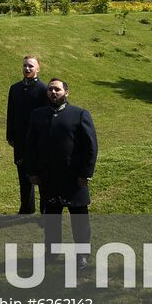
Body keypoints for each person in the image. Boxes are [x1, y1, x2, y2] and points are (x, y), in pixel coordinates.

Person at [26, 78, 98, 268]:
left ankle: (82, 255)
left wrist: (86, 173)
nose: (53, 92)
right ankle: (52, 252)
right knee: (51, 220)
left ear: (66, 92)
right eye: (50, 89)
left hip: (75, 180)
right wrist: (32, 171)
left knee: (79, 220)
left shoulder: (80, 114)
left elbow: (91, 147)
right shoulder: (37, 115)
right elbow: (30, 146)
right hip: (48, 178)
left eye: (57, 89)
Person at [6, 55, 48, 214]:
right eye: (25, 66)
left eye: (31, 66)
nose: (27, 69)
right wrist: (10, 134)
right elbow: (11, 113)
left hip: (38, 140)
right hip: (20, 139)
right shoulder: (15, 88)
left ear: (38, 68)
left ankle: (45, 210)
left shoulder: (44, 89)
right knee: (23, 174)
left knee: (41, 175)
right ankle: (27, 207)